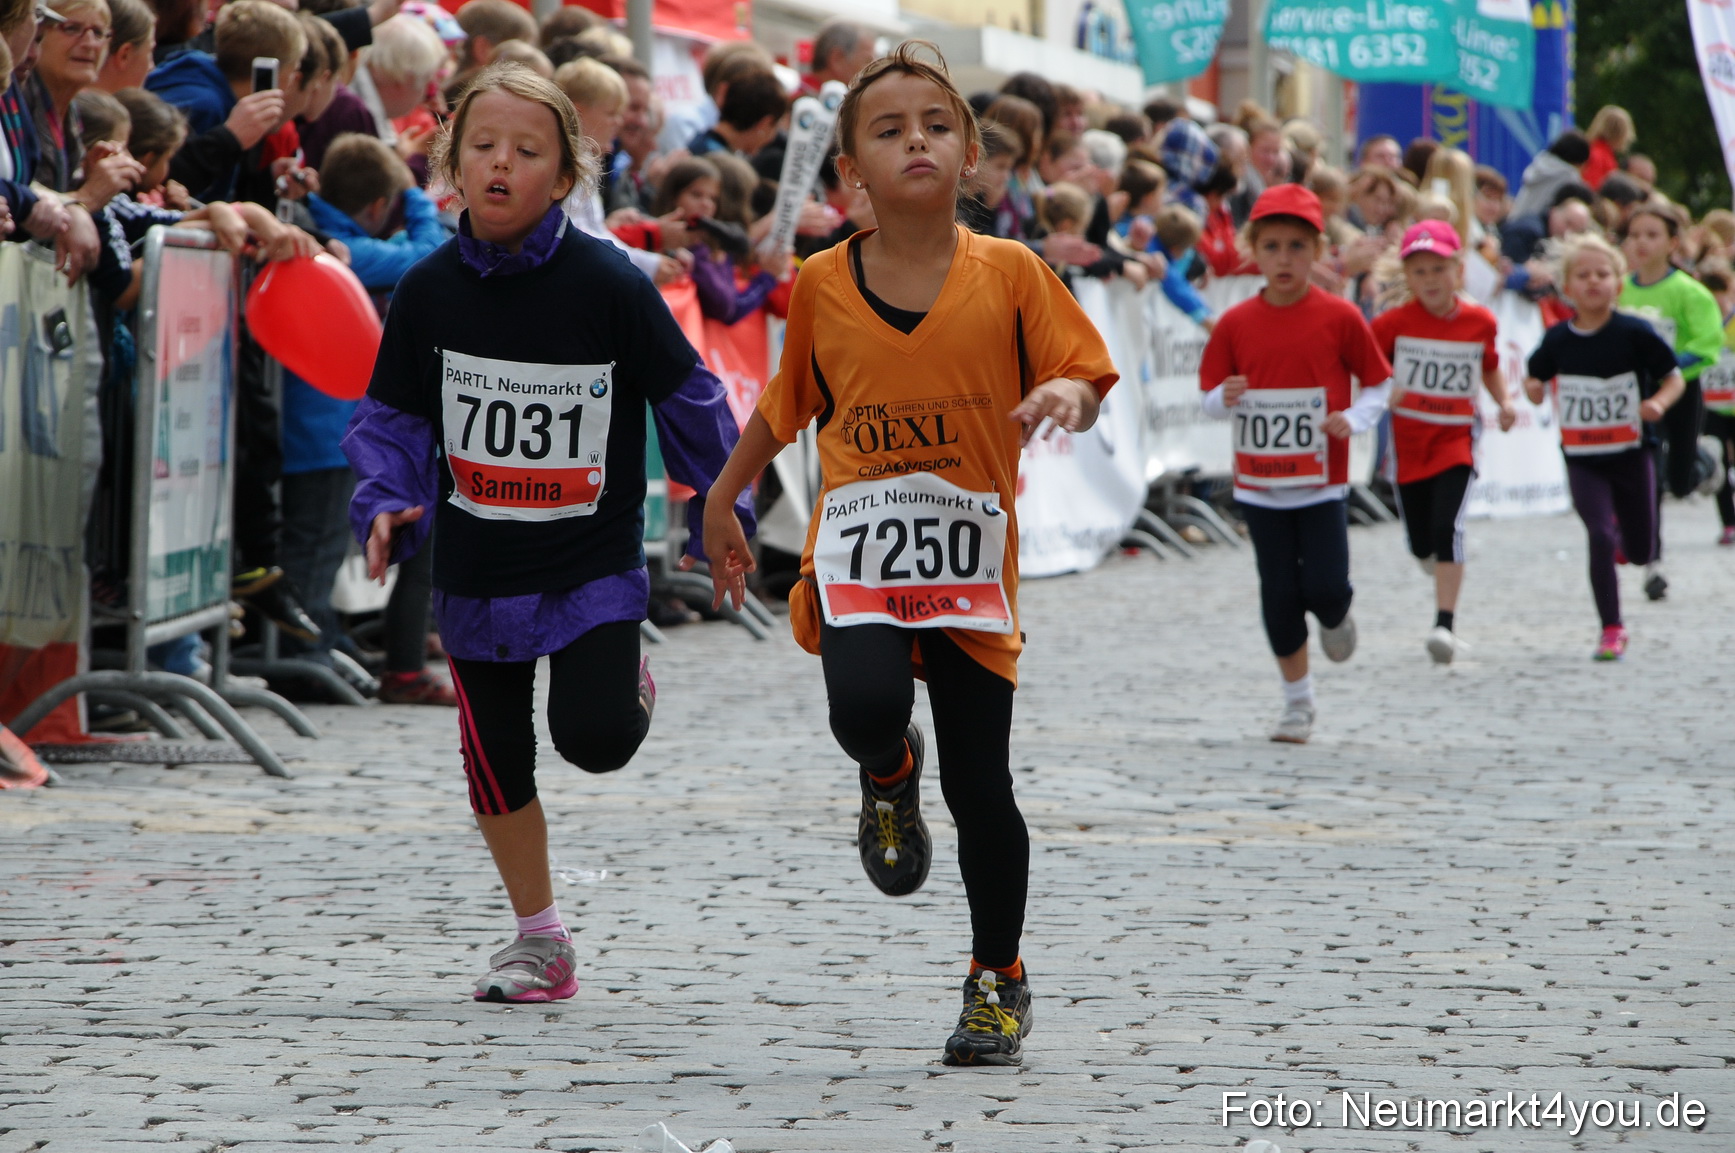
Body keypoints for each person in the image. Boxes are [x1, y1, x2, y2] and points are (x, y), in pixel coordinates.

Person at [699, 42, 1116, 1067]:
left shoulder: (1012, 272)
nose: (914, 140)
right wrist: (721, 495)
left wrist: (1067, 393)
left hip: (971, 572)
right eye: (886, 130)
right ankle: (887, 772)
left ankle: (996, 977)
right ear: (850, 173)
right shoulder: (821, 284)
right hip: (858, 561)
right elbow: (783, 404)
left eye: (934, 124)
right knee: (865, 709)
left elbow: (1083, 368)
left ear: (971, 152)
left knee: (984, 789)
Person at [343, 63, 750, 1003]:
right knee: (496, 753)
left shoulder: (608, 281)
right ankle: (540, 937)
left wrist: (722, 503)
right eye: (482, 146)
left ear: (564, 177)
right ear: (450, 160)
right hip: (478, 565)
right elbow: (392, 419)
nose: (500, 164)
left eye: (527, 152)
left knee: (596, 738)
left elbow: (686, 394)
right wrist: (384, 505)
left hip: (588, 561)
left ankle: (625, 683)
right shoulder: (429, 288)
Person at [1199, 185, 1392, 743]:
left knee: (1328, 588)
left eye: (1298, 247)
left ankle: (1335, 617)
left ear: (1319, 250)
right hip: (1260, 485)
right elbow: (1208, 394)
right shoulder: (1235, 322)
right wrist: (1225, 397)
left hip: (1321, 481)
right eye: (1273, 246)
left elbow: (1379, 382)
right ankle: (1297, 702)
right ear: (1253, 251)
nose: (1285, 259)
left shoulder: (1340, 316)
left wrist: (1354, 420)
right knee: (1279, 593)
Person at [1523, 232, 1684, 660]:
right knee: (1597, 533)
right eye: (1583, 275)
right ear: (1567, 286)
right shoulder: (1558, 339)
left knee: (1639, 549)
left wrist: (1657, 403)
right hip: (1583, 457)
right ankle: (1611, 628)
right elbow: (1534, 375)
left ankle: (1622, 544)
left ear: (1619, 281)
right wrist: (1535, 389)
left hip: (1633, 453)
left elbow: (1673, 376)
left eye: (1603, 274)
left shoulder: (1634, 332)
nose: (1594, 282)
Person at [1369, 221, 1516, 662]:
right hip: (1410, 445)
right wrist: (1383, 387)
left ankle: (1444, 626)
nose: (1430, 280)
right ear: (1407, 277)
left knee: (1448, 527)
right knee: (1420, 541)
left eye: (1439, 269)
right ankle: (1432, 564)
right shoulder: (1392, 324)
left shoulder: (1478, 320)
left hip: (1456, 439)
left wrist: (1504, 402)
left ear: (1458, 270)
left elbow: (1488, 365)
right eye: (1420, 272)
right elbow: (1368, 368)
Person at [1617, 202, 1724, 599]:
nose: (1641, 243)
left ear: (1672, 243)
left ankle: (1705, 458)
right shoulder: (1620, 288)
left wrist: (1665, 364)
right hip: (1635, 395)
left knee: (1679, 481)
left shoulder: (1689, 291)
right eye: (1634, 235)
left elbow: (1707, 345)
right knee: (1650, 477)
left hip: (1680, 389)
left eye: (1652, 235)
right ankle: (1652, 563)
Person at [1695, 258, 1735, 544]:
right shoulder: (1699, 323)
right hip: (1711, 407)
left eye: (1717, 291)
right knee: (1717, 462)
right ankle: (1728, 523)